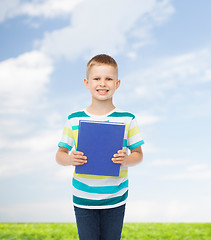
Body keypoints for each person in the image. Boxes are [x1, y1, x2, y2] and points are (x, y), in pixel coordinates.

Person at [56, 54, 144, 240]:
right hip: (83, 199)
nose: (102, 83)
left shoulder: (128, 118)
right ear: (87, 83)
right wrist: (70, 158)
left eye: (108, 79)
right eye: (97, 78)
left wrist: (126, 159)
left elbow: (138, 154)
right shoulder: (74, 119)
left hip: (116, 198)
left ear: (117, 83)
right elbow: (60, 154)